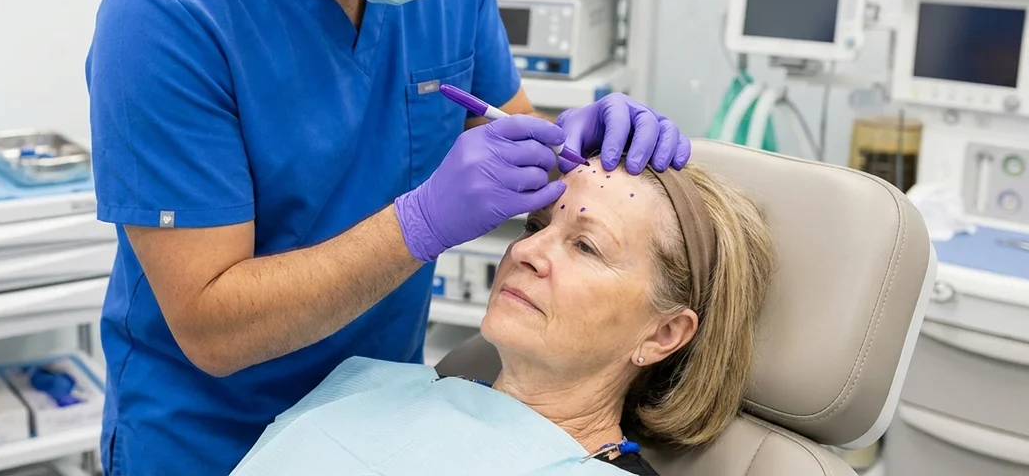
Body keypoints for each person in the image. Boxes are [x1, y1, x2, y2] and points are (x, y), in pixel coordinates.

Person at [83, 0, 690, 473]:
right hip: (209, 440)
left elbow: (498, 121)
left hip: (381, 415)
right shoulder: (169, 13)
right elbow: (213, 330)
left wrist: (569, 145)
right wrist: (421, 222)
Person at [231, 160, 777, 474]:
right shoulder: (373, 385)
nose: (526, 252)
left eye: (586, 247)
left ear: (663, 334)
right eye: (534, 226)